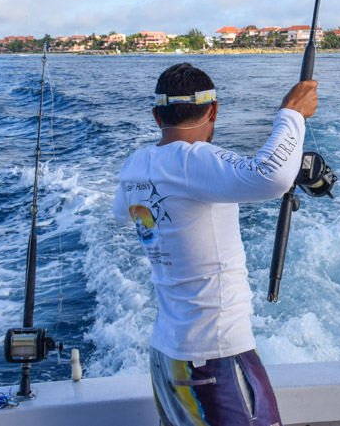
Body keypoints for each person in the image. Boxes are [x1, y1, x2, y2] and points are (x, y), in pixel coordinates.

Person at [113, 63, 318, 426]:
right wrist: (292, 113)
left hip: (167, 356)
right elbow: (271, 176)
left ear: (156, 115)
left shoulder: (136, 165)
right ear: (214, 110)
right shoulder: (193, 161)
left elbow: (125, 212)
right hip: (213, 356)